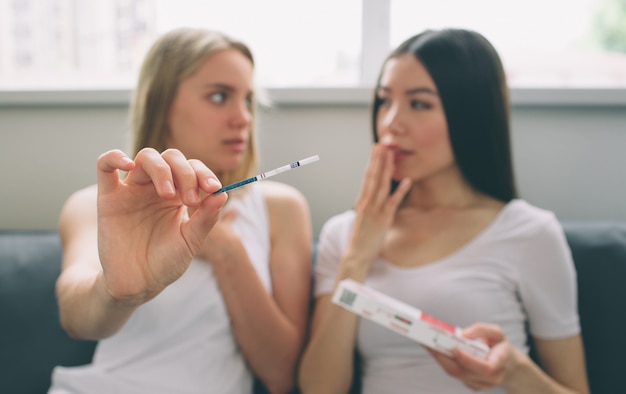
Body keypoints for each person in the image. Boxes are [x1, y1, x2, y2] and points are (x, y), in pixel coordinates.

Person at [298, 28, 590, 394]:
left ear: (469, 115)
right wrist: (356, 259)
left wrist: (514, 370)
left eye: (419, 104)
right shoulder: (344, 234)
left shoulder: (529, 232)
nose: (391, 123)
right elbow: (318, 388)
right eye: (384, 101)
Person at [49, 28, 312, 394]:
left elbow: (281, 376)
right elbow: (75, 319)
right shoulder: (95, 204)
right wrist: (118, 292)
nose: (243, 118)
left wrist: (226, 251)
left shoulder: (280, 209)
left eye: (248, 100)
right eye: (219, 96)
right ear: (162, 103)